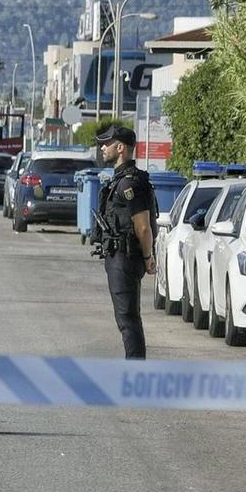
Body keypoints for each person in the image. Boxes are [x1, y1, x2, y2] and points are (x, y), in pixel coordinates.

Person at [93, 123, 158, 358]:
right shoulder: (120, 180)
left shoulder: (130, 183)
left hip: (125, 256)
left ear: (120, 148)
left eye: (107, 144)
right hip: (119, 256)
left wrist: (148, 257)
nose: (102, 148)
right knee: (126, 318)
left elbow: (142, 226)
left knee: (128, 319)